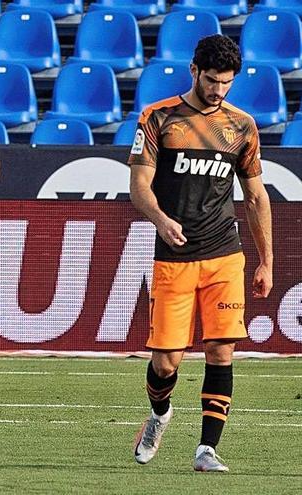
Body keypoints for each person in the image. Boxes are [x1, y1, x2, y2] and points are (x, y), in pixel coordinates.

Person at [128, 34, 272, 472]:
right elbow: (138, 185)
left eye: (227, 82)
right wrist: (160, 219)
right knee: (166, 361)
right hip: (174, 256)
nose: (219, 90)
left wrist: (266, 260)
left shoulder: (242, 126)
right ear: (194, 71)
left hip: (224, 254)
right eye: (212, 80)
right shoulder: (159, 118)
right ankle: (159, 414)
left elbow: (255, 196)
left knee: (220, 350)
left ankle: (207, 449)